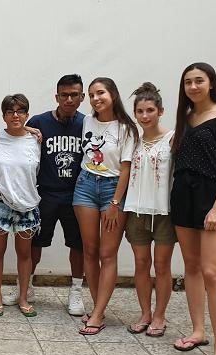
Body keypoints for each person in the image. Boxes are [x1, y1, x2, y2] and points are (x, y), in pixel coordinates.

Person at [170, 63, 216, 355]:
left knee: (213, 272)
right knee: (192, 267)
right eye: (188, 82)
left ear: (211, 83)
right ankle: (198, 331)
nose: (194, 86)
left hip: (213, 197)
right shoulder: (184, 119)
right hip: (183, 196)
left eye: (199, 80)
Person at [5, 74, 86, 316]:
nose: (69, 99)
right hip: (46, 194)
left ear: (82, 97)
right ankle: (25, 287)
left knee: (77, 244)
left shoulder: (87, 124)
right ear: (57, 97)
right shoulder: (40, 122)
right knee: (35, 244)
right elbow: (17, 130)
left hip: (77, 194)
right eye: (64, 95)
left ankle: (76, 290)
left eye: (74, 95)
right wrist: (28, 127)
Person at [73, 77, 138, 335]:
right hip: (86, 184)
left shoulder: (126, 128)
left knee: (107, 254)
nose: (95, 98)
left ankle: (98, 314)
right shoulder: (87, 121)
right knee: (90, 250)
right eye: (91, 95)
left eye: (100, 93)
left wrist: (115, 202)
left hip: (113, 190)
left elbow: (126, 168)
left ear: (113, 94)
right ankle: (97, 307)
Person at [124, 82, 175, 338]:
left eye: (150, 110)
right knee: (141, 263)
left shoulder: (172, 139)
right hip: (135, 210)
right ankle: (145, 312)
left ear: (160, 111)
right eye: (140, 111)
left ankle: (160, 315)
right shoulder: (132, 141)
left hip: (164, 213)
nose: (145, 116)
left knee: (162, 265)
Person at [0, 94, 41, 318]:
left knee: (24, 253)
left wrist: (32, 131)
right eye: (10, 111)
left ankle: (23, 297)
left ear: (27, 114)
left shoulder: (36, 140)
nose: (15, 115)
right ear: (4, 116)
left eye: (20, 111)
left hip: (28, 204)